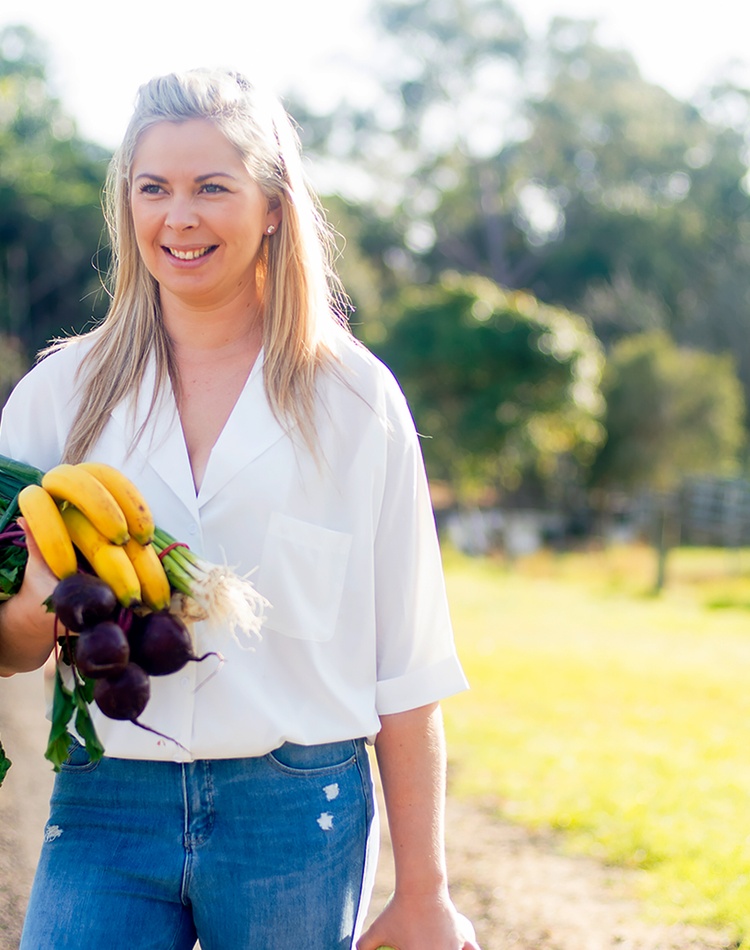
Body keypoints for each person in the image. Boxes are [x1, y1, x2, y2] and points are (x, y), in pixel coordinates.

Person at [0, 68, 479, 950]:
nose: (178, 218)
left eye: (211, 188)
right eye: (155, 189)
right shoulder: (59, 397)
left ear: (271, 207)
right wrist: (36, 606)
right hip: (108, 798)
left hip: (296, 813)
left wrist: (425, 896)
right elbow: (6, 652)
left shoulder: (354, 400)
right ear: (128, 204)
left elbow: (407, 667)